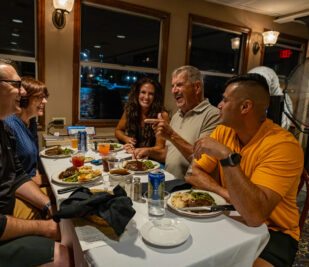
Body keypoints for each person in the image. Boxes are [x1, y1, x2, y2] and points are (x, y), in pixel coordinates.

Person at [187, 74, 303, 267]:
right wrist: (226, 194)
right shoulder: (224, 131)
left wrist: (226, 156)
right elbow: (192, 173)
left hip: (275, 232)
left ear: (245, 107)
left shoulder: (283, 146)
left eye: (225, 99)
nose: (219, 105)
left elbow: (255, 215)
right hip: (231, 214)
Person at [0, 59, 70, 266]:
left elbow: (19, 176)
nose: (22, 92)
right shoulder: (11, 125)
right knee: (65, 253)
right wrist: (45, 227)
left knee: (66, 215)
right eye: (16, 85)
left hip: (9, 208)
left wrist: (48, 204)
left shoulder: (3, 129)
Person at [144, 65, 220, 178]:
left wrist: (171, 135)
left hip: (189, 188)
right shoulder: (177, 115)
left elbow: (203, 161)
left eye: (179, 85)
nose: (174, 91)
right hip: (168, 180)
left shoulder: (213, 115)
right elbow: (169, 154)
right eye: (173, 86)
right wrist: (147, 152)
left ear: (197, 87)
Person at [5, 77, 49, 186]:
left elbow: (33, 164)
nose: (45, 101)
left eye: (45, 97)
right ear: (24, 98)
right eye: (39, 97)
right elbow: (9, 177)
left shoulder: (32, 121)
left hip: (32, 179)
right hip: (19, 187)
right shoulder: (9, 125)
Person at [115, 77, 167, 156]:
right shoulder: (129, 111)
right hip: (133, 156)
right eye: (143, 92)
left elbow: (160, 147)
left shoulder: (162, 115)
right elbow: (118, 130)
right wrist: (126, 139)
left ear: (155, 97)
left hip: (153, 159)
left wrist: (137, 150)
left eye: (151, 94)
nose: (146, 97)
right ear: (137, 94)